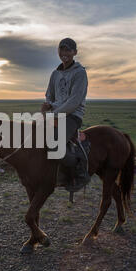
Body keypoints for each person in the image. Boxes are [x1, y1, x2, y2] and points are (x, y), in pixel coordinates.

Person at [41, 37, 89, 191]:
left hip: (72, 116)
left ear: (75, 52)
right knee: (35, 138)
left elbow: (74, 101)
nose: (64, 53)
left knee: (54, 144)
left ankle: (79, 169)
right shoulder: (55, 73)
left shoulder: (80, 73)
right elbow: (50, 94)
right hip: (55, 114)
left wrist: (54, 114)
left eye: (68, 50)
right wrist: (48, 104)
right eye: (61, 49)